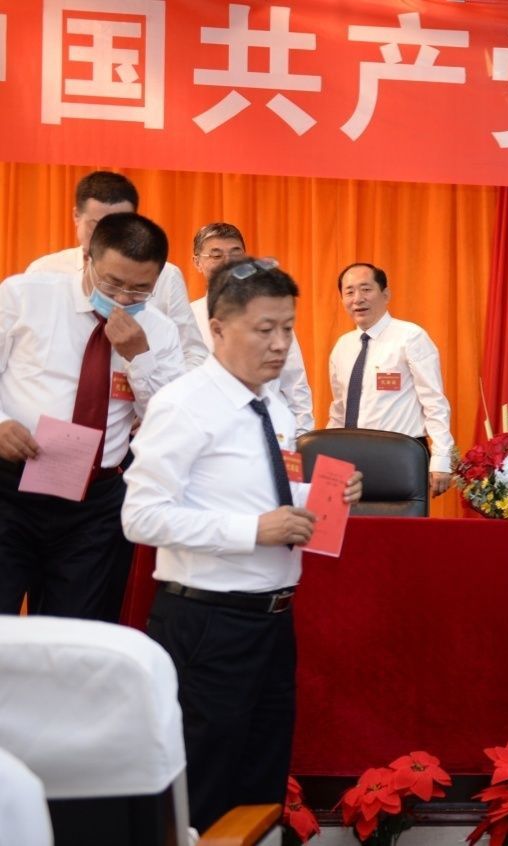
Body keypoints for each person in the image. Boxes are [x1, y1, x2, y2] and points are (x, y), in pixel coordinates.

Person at [121, 257, 363, 832]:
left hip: (272, 620)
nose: (280, 344)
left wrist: (321, 495)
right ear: (219, 328)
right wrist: (253, 530)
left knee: (262, 781)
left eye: (288, 328)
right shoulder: (183, 404)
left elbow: (260, 486)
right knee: (206, 788)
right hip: (208, 623)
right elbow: (140, 516)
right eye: (265, 329)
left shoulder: (271, 402)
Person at [0, 212, 184, 621]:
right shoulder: (24, 296)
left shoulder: (160, 332)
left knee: (73, 631)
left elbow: (169, 420)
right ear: (87, 259)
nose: (123, 299)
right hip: (10, 485)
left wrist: (140, 356)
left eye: (140, 289)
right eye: (112, 283)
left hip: (93, 505)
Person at [27, 170, 207, 370]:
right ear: (76, 216)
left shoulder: (166, 276)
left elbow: (193, 354)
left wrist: (155, 372)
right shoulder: (44, 272)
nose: (108, 235)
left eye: (119, 225)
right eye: (97, 225)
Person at [328, 262, 454, 497]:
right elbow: (339, 410)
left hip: (398, 458)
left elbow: (434, 402)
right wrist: (328, 459)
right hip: (348, 461)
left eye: (366, 289)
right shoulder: (342, 346)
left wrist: (441, 458)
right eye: (349, 292)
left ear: (385, 294)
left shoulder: (410, 337)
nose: (357, 299)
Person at [188, 222, 315, 435]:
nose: (227, 262)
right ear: (197, 262)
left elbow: (295, 384)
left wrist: (302, 437)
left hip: (268, 431)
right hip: (208, 434)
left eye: (235, 254)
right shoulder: (187, 318)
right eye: (216, 255)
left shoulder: (271, 312)